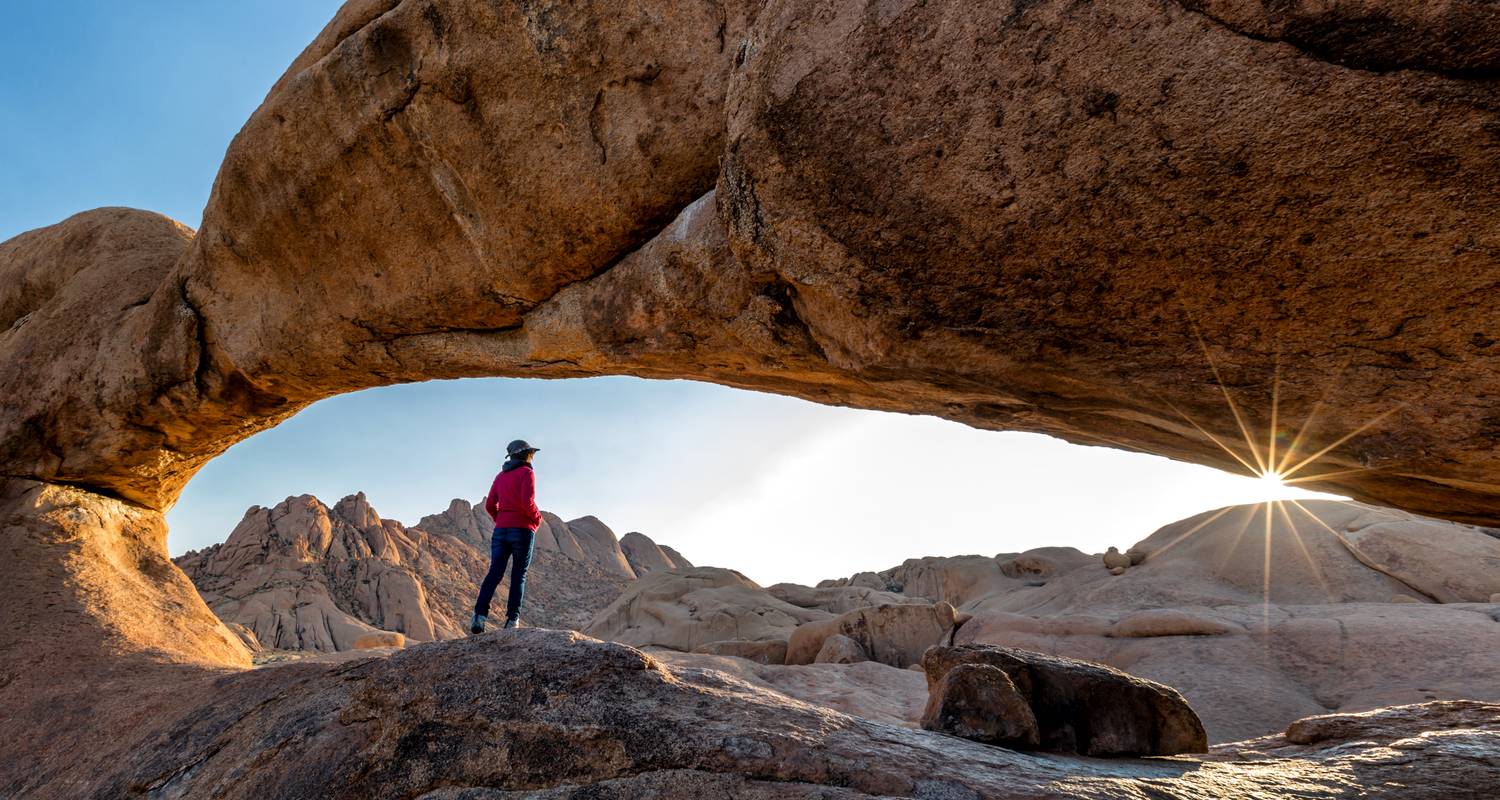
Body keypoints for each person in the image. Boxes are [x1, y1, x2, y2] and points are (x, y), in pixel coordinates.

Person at [470, 439, 542, 633]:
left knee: (495, 572)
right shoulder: (527, 473)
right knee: (519, 575)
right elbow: (527, 502)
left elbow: (489, 505)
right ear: (525, 454)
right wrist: (537, 519)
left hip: (501, 531)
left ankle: (479, 617)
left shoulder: (500, 476)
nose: (531, 456)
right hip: (522, 530)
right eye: (530, 453)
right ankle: (512, 621)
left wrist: (500, 520)